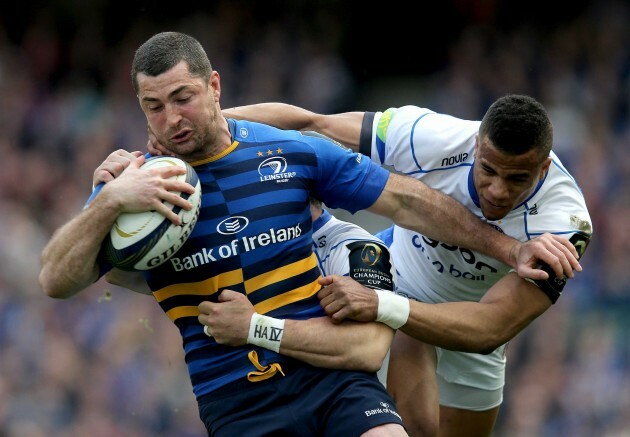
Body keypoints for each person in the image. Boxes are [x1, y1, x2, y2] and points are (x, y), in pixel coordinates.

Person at [38, 31, 580, 437]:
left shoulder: (565, 224)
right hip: (240, 404)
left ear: (213, 87)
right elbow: (55, 280)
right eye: (154, 107)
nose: (172, 119)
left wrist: (257, 328)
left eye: (184, 98)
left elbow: (408, 206)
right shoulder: (134, 187)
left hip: (352, 368)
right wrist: (108, 199)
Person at [220, 96, 593, 436]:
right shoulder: (429, 137)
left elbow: (490, 328)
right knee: (417, 428)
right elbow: (310, 122)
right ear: (477, 145)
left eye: (517, 180)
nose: (497, 190)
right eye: (489, 170)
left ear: (543, 168)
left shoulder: (565, 224)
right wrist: (212, 128)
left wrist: (381, 306)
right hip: (397, 282)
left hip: (467, 327)